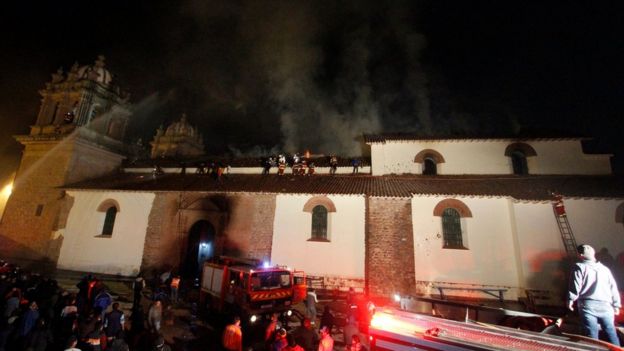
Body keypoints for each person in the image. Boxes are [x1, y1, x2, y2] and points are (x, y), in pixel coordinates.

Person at [568, 244, 621, 346]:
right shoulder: (605, 269)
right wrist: (616, 304)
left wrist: (570, 300)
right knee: (611, 334)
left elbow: (575, 286)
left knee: (592, 337)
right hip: (606, 307)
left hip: (588, 306)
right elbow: (613, 287)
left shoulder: (579, 267)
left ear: (581, 255)